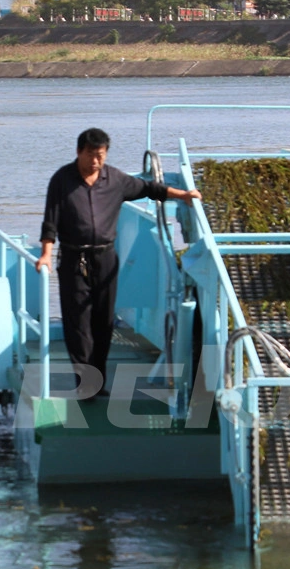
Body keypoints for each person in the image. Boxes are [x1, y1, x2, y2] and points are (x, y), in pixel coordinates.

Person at [36, 128, 202, 397]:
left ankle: (97, 384)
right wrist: (46, 253)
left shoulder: (115, 179)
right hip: (73, 258)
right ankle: (85, 384)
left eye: (100, 156)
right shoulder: (62, 180)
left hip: (105, 257)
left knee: (104, 322)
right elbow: (50, 222)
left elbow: (150, 188)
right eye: (90, 155)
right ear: (79, 152)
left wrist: (182, 195)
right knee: (78, 322)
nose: (95, 162)